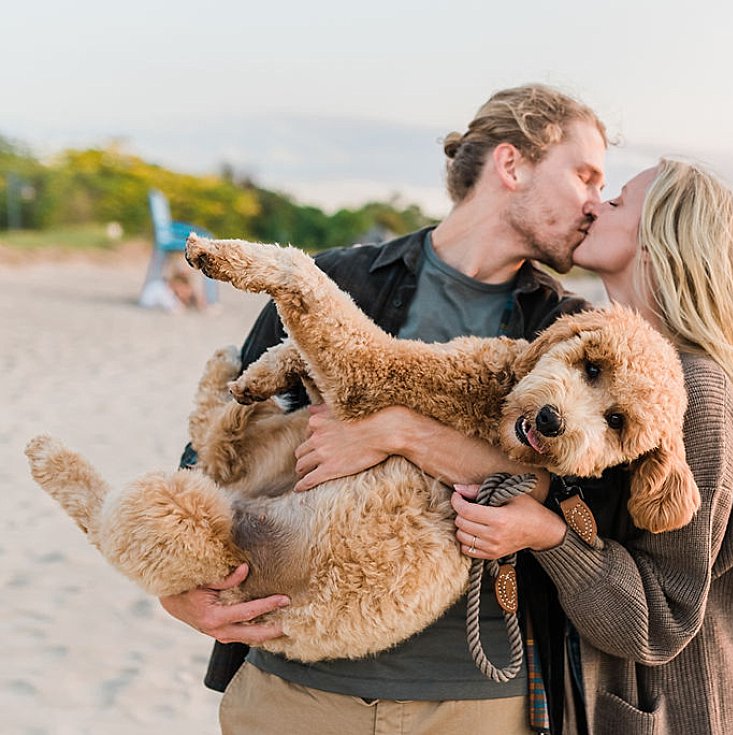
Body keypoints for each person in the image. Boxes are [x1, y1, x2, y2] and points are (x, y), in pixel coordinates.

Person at [159, 83, 608, 735]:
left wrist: (394, 432)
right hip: (295, 689)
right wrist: (180, 591)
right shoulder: (339, 278)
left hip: (475, 700)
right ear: (513, 165)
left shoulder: (567, 330)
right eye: (586, 176)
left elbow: (566, 489)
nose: (597, 204)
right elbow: (212, 452)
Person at [449, 158, 733, 734]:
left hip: (677, 715)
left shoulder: (694, 391)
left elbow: (660, 620)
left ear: (656, 242)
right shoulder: (595, 351)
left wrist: (547, 534)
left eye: (619, 201)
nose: (597, 205)